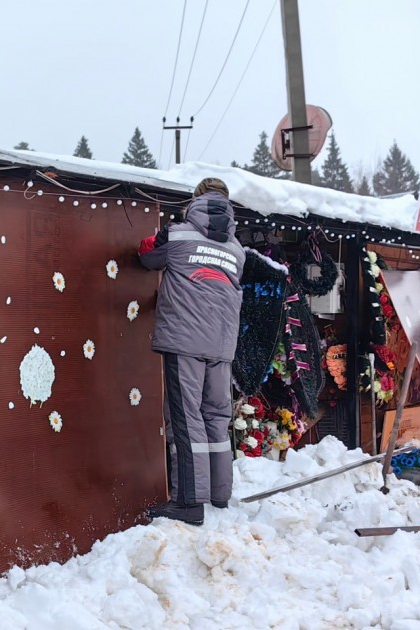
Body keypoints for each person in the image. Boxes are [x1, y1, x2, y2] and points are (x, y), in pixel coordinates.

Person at [137, 177, 245, 526]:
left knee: (186, 418)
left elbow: (147, 254)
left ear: (195, 201)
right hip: (223, 345)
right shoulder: (236, 250)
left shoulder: (178, 234)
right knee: (216, 415)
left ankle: (188, 501)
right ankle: (219, 493)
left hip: (185, 340)